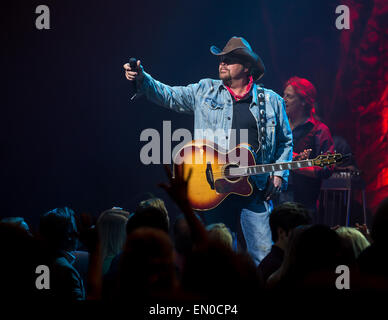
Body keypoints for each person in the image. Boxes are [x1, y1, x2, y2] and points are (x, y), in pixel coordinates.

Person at [124, 36, 293, 265]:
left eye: (229, 60)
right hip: (215, 188)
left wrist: (278, 175)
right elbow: (169, 95)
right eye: (221, 59)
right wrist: (141, 78)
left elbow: (285, 142)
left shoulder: (271, 101)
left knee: (262, 257)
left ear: (247, 67)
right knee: (217, 259)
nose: (222, 63)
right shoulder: (205, 90)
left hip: (256, 189)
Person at [281, 77, 334, 220]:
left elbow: (326, 168)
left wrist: (296, 165)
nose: (283, 99)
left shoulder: (319, 131)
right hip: (275, 200)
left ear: (304, 101)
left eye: (289, 96)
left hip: (302, 206)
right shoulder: (279, 128)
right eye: (284, 95)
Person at [257, 202, 310, 285]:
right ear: (282, 233)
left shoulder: (289, 261)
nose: (306, 237)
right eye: (300, 231)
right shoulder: (274, 268)